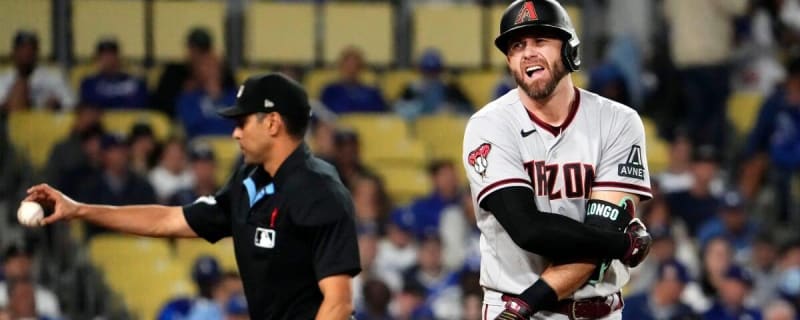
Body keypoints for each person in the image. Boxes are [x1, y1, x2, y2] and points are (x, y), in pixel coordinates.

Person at [25, 73, 360, 319]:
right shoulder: (248, 180)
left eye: (243, 122)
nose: (234, 133)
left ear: (272, 123)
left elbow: (339, 304)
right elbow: (169, 219)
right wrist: (78, 209)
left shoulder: (321, 191)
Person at [462, 1, 654, 319]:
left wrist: (528, 302)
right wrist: (622, 243)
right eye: (517, 45)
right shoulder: (489, 125)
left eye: (540, 41)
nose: (528, 52)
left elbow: (596, 241)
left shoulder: (617, 122)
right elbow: (530, 231)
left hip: (575, 310)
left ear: (570, 50)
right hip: (510, 304)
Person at [0, 31, 76, 111]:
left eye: (31, 49)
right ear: (14, 52)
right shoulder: (3, 79)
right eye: (22, 48)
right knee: (19, 88)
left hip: (45, 120)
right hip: (11, 120)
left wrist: (57, 105)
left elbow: (71, 103)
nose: (26, 53)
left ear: (37, 52)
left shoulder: (53, 76)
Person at [78, 38, 148, 109]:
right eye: (104, 56)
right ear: (97, 59)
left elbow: (139, 104)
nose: (108, 59)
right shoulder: (89, 83)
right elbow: (92, 105)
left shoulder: (135, 82)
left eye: (111, 55)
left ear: (118, 57)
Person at [320, 47, 387, 114]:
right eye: (348, 66)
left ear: (361, 68)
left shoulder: (372, 93)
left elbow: (382, 114)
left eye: (355, 66)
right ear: (341, 67)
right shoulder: (330, 91)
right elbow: (322, 115)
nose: (351, 70)